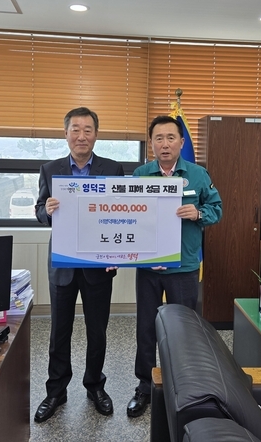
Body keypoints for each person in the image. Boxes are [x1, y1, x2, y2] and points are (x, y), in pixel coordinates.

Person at [126, 115, 223, 417]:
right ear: (151, 143)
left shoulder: (197, 174)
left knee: (184, 329)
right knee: (146, 327)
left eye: (171, 138)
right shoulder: (141, 175)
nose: (165, 144)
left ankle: (185, 384)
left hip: (183, 267)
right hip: (149, 268)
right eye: (159, 138)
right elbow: (129, 216)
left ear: (181, 142)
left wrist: (198, 213)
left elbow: (217, 209)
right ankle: (145, 385)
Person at [34, 107, 125, 423]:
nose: (81, 135)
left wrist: (117, 253)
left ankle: (95, 386)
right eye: (75, 129)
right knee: (59, 330)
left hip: (98, 262)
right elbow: (39, 211)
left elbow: (121, 213)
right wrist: (47, 210)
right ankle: (56, 391)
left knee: (97, 329)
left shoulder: (112, 169)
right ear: (66, 134)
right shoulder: (50, 169)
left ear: (96, 135)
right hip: (63, 262)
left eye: (88, 130)